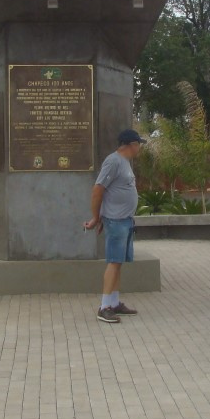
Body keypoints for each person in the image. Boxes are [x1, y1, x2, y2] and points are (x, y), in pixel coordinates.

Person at [84, 129, 146, 323]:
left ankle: (114, 302)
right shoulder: (113, 161)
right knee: (113, 262)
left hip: (125, 221)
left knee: (118, 263)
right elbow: (98, 190)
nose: (140, 148)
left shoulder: (124, 162)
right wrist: (96, 217)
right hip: (115, 221)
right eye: (139, 144)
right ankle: (104, 307)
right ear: (132, 144)